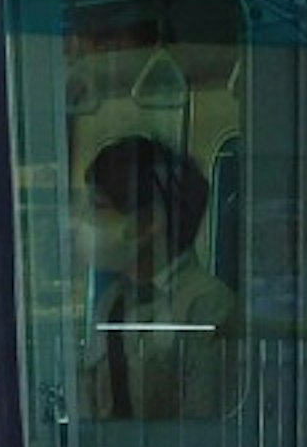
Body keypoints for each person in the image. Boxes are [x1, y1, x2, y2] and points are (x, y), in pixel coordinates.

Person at [82, 134, 238, 418]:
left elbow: (206, 431)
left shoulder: (207, 307)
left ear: (149, 223)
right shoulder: (112, 301)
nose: (86, 223)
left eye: (99, 209)